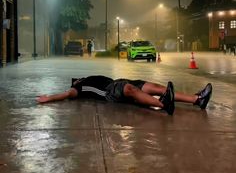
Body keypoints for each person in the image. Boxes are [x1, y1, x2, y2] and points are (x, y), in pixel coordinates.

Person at [36, 75, 213, 115]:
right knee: (130, 89)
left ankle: (197, 99)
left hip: (119, 81)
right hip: (110, 91)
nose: (78, 79)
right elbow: (67, 94)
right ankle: (164, 105)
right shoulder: (80, 88)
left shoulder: (87, 79)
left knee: (153, 86)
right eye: (76, 80)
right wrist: (49, 98)